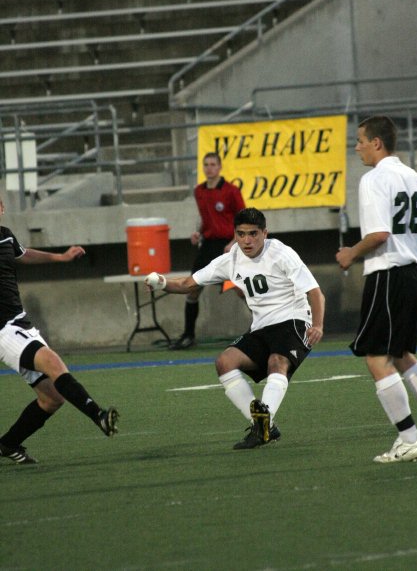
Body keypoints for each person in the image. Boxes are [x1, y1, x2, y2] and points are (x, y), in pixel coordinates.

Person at [146, 207, 325, 449]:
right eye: (241, 234)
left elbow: (315, 292)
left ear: (265, 233)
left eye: (253, 234)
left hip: (293, 320)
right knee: (224, 362)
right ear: (235, 234)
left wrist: (317, 325)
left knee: (277, 362)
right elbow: (189, 284)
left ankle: (263, 424)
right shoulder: (230, 259)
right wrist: (162, 283)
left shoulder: (282, 253)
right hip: (261, 326)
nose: (247, 240)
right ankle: (265, 427)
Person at [336, 115, 417, 463]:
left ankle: (409, 438)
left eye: (360, 141)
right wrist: (410, 245)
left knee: (376, 355)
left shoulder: (374, 180)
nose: (356, 148)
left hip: (389, 275)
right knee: (401, 354)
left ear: (377, 143)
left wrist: (350, 253)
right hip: (416, 271)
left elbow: (379, 234)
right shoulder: (415, 177)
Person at [0, 198, 119, 465]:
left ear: (2, 208)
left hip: (20, 323)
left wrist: (60, 256)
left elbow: (24, 253)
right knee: (54, 363)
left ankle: (8, 443)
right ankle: (98, 415)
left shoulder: (5, 237)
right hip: (3, 330)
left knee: (51, 398)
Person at [170, 151, 245, 351]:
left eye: (213, 164)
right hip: (209, 245)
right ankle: (188, 335)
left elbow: (243, 220)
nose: (209, 168)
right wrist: (198, 232)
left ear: (220, 167)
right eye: (206, 164)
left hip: (227, 246)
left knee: (241, 289)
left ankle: (265, 327)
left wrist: (234, 242)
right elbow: (206, 219)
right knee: (192, 287)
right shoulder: (199, 191)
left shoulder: (231, 191)